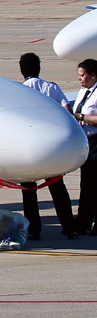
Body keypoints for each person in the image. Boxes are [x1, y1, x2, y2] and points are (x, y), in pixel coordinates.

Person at [17, 53, 77, 240]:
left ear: (22, 69)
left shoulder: (18, 90)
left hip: (29, 148)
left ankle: (34, 230)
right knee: (57, 188)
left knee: (29, 189)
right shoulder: (52, 87)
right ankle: (69, 227)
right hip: (52, 147)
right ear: (39, 68)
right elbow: (67, 110)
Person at [73, 58, 97, 235]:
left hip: (96, 141)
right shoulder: (83, 92)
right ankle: (83, 221)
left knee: (93, 184)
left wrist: (80, 117)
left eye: (83, 75)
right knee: (86, 184)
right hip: (85, 143)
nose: (80, 79)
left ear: (93, 76)